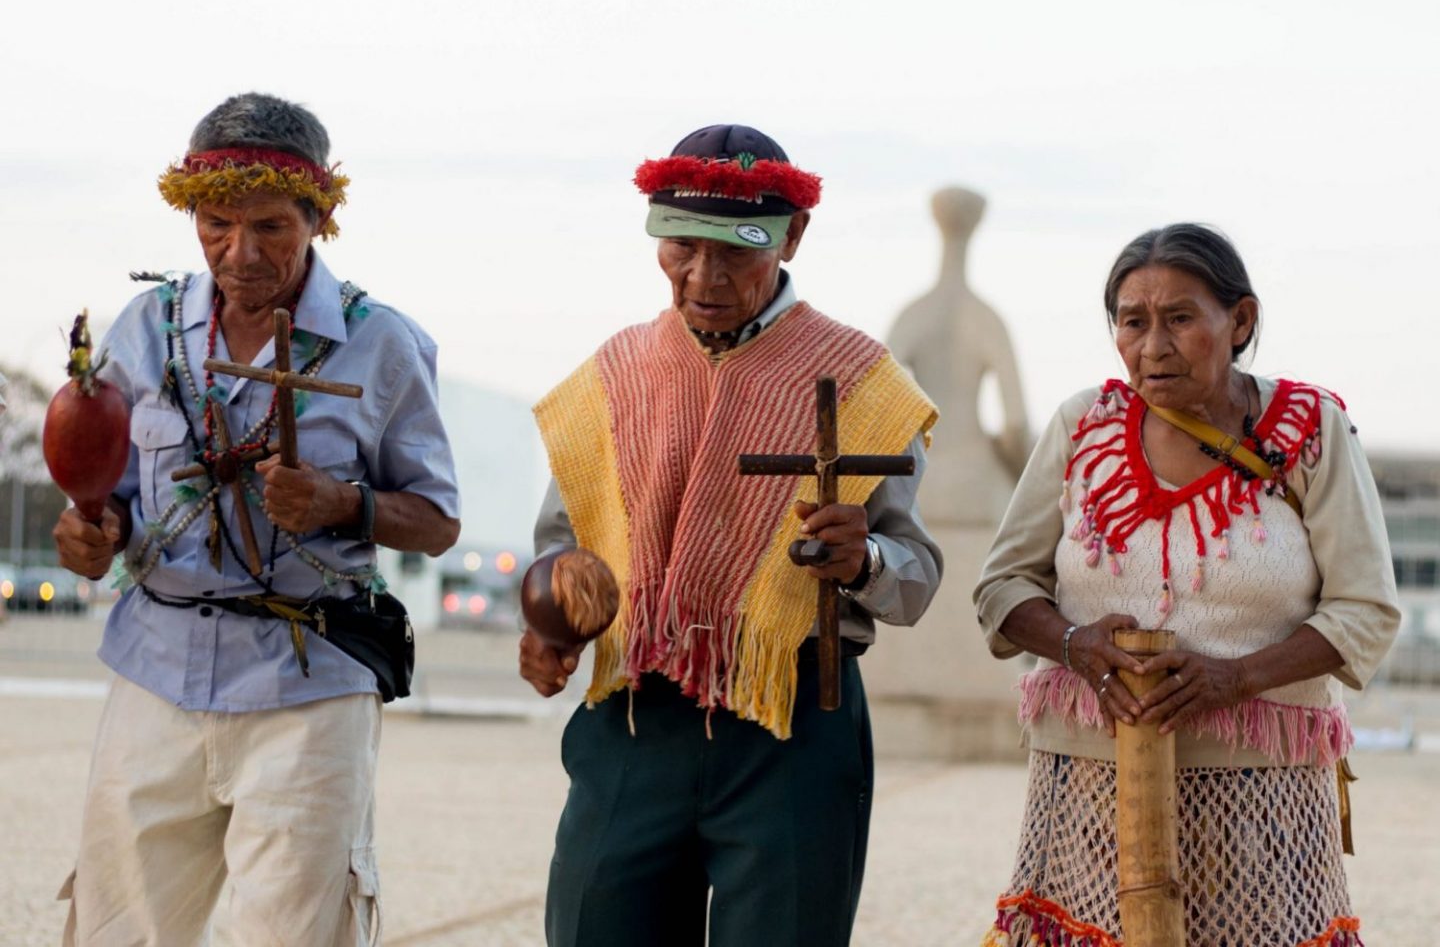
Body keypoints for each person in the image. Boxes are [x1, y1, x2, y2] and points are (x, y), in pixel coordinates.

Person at [51, 92, 461, 945]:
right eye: (216, 224)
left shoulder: (382, 343)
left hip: (308, 689)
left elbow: (436, 521)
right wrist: (92, 530)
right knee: (117, 930)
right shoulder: (148, 325)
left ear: (318, 218)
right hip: (153, 673)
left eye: (270, 227)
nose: (239, 253)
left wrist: (343, 503)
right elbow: (108, 492)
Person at [519, 124, 942, 947]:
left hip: (794, 722)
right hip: (634, 717)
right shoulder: (617, 374)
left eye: (736, 252)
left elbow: (915, 579)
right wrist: (551, 629)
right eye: (681, 248)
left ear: (793, 236)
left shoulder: (864, 382)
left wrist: (863, 561)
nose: (703, 277)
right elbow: (563, 545)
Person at [973, 223, 1400, 946]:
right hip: (1086, 788)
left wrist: (1235, 678)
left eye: (1179, 319)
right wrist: (1077, 646)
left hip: (1264, 795)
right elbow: (1002, 588)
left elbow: (1365, 610)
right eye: (1132, 322)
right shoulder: (1083, 425)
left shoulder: (1310, 432)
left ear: (1241, 321)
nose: (1153, 346)